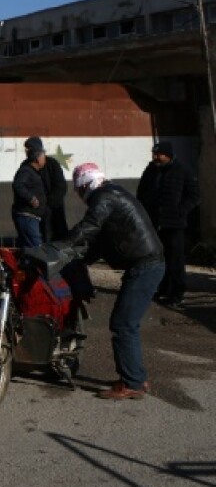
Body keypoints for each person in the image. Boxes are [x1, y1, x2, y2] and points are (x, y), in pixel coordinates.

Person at [66, 162, 165, 400]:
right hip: (146, 264)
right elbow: (100, 242)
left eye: (79, 191)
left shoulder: (105, 196)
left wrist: (61, 246)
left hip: (145, 266)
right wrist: (79, 259)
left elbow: (89, 227)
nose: (80, 197)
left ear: (85, 185)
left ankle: (132, 383)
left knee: (123, 324)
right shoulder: (112, 192)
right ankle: (136, 378)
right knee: (125, 323)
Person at [136, 141, 200, 306]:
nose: (156, 157)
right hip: (154, 223)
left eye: (159, 154)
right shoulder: (151, 171)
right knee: (159, 258)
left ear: (168, 155)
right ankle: (163, 288)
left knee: (175, 260)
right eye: (154, 154)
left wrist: (181, 210)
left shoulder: (182, 170)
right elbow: (142, 192)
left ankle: (177, 293)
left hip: (174, 223)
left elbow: (194, 195)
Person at [25, 136, 68, 239]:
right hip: (36, 212)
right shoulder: (26, 166)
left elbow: (61, 187)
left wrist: (47, 203)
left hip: (54, 210)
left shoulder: (52, 164)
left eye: (29, 149)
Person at [12, 147, 49, 248]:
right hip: (27, 217)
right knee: (36, 249)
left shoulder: (34, 172)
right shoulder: (26, 171)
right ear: (37, 159)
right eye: (43, 157)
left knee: (30, 249)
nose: (45, 160)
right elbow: (18, 185)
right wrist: (31, 198)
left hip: (32, 217)